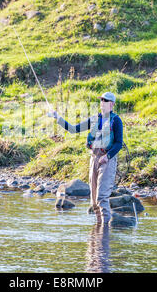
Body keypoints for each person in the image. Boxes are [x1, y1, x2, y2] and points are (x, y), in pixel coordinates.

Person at [47, 92, 123, 225]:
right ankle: (99, 234)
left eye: (105, 101)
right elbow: (73, 129)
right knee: (94, 202)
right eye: (101, 100)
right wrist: (57, 118)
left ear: (112, 104)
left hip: (107, 161)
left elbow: (118, 143)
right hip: (94, 159)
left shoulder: (116, 120)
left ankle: (105, 230)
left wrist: (107, 156)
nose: (102, 103)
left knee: (101, 197)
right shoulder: (94, 119)